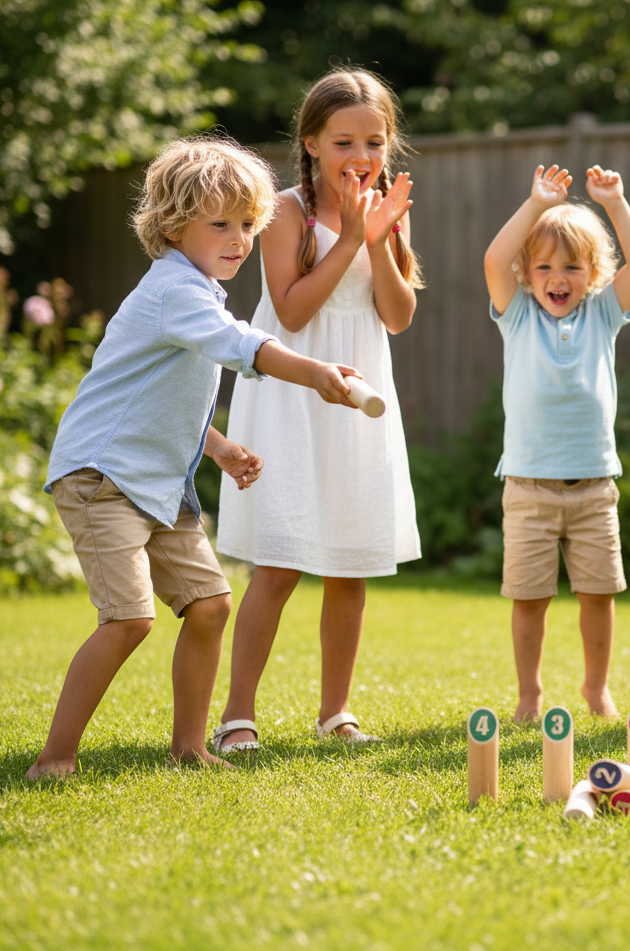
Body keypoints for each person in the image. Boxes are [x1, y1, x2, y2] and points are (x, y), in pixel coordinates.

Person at [26, 136, 358, 779]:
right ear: (174, 227)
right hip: (102, 476)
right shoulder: (174, 291)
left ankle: (189, 746)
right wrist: (313, 371)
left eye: (246, 225)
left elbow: (161, 399)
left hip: (160, 478)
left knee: (209, 605)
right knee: (128, 619)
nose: (238, 240)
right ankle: (55, 756)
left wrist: (222, 447)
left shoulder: (199, 290)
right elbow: (242, 345)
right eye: (220, 225)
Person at [212, 69, 422, 751]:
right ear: (310, 143)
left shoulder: (388, 206)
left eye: (373, 141)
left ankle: (336, 710)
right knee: (279, 564)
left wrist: (381, 237)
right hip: (292, 395)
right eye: (343, 143)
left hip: (360, 396)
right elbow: (294, 313)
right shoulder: (285, 212)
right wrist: (355, 238)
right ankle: (237, 714)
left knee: (351, 565)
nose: (360, 158)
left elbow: (397, 315)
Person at [484, 163, 630, 723]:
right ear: (527, 275)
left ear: (594, 274)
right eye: (545, 267)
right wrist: (535, 204)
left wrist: (615, 203)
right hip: (529, 487)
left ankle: (596, 689)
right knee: (530, 599)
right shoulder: (516, 317)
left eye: (572, 268)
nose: (559, 278)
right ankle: (529, 693)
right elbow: (492, 259)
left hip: (593, 487)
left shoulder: (604, 314)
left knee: (598, 596)